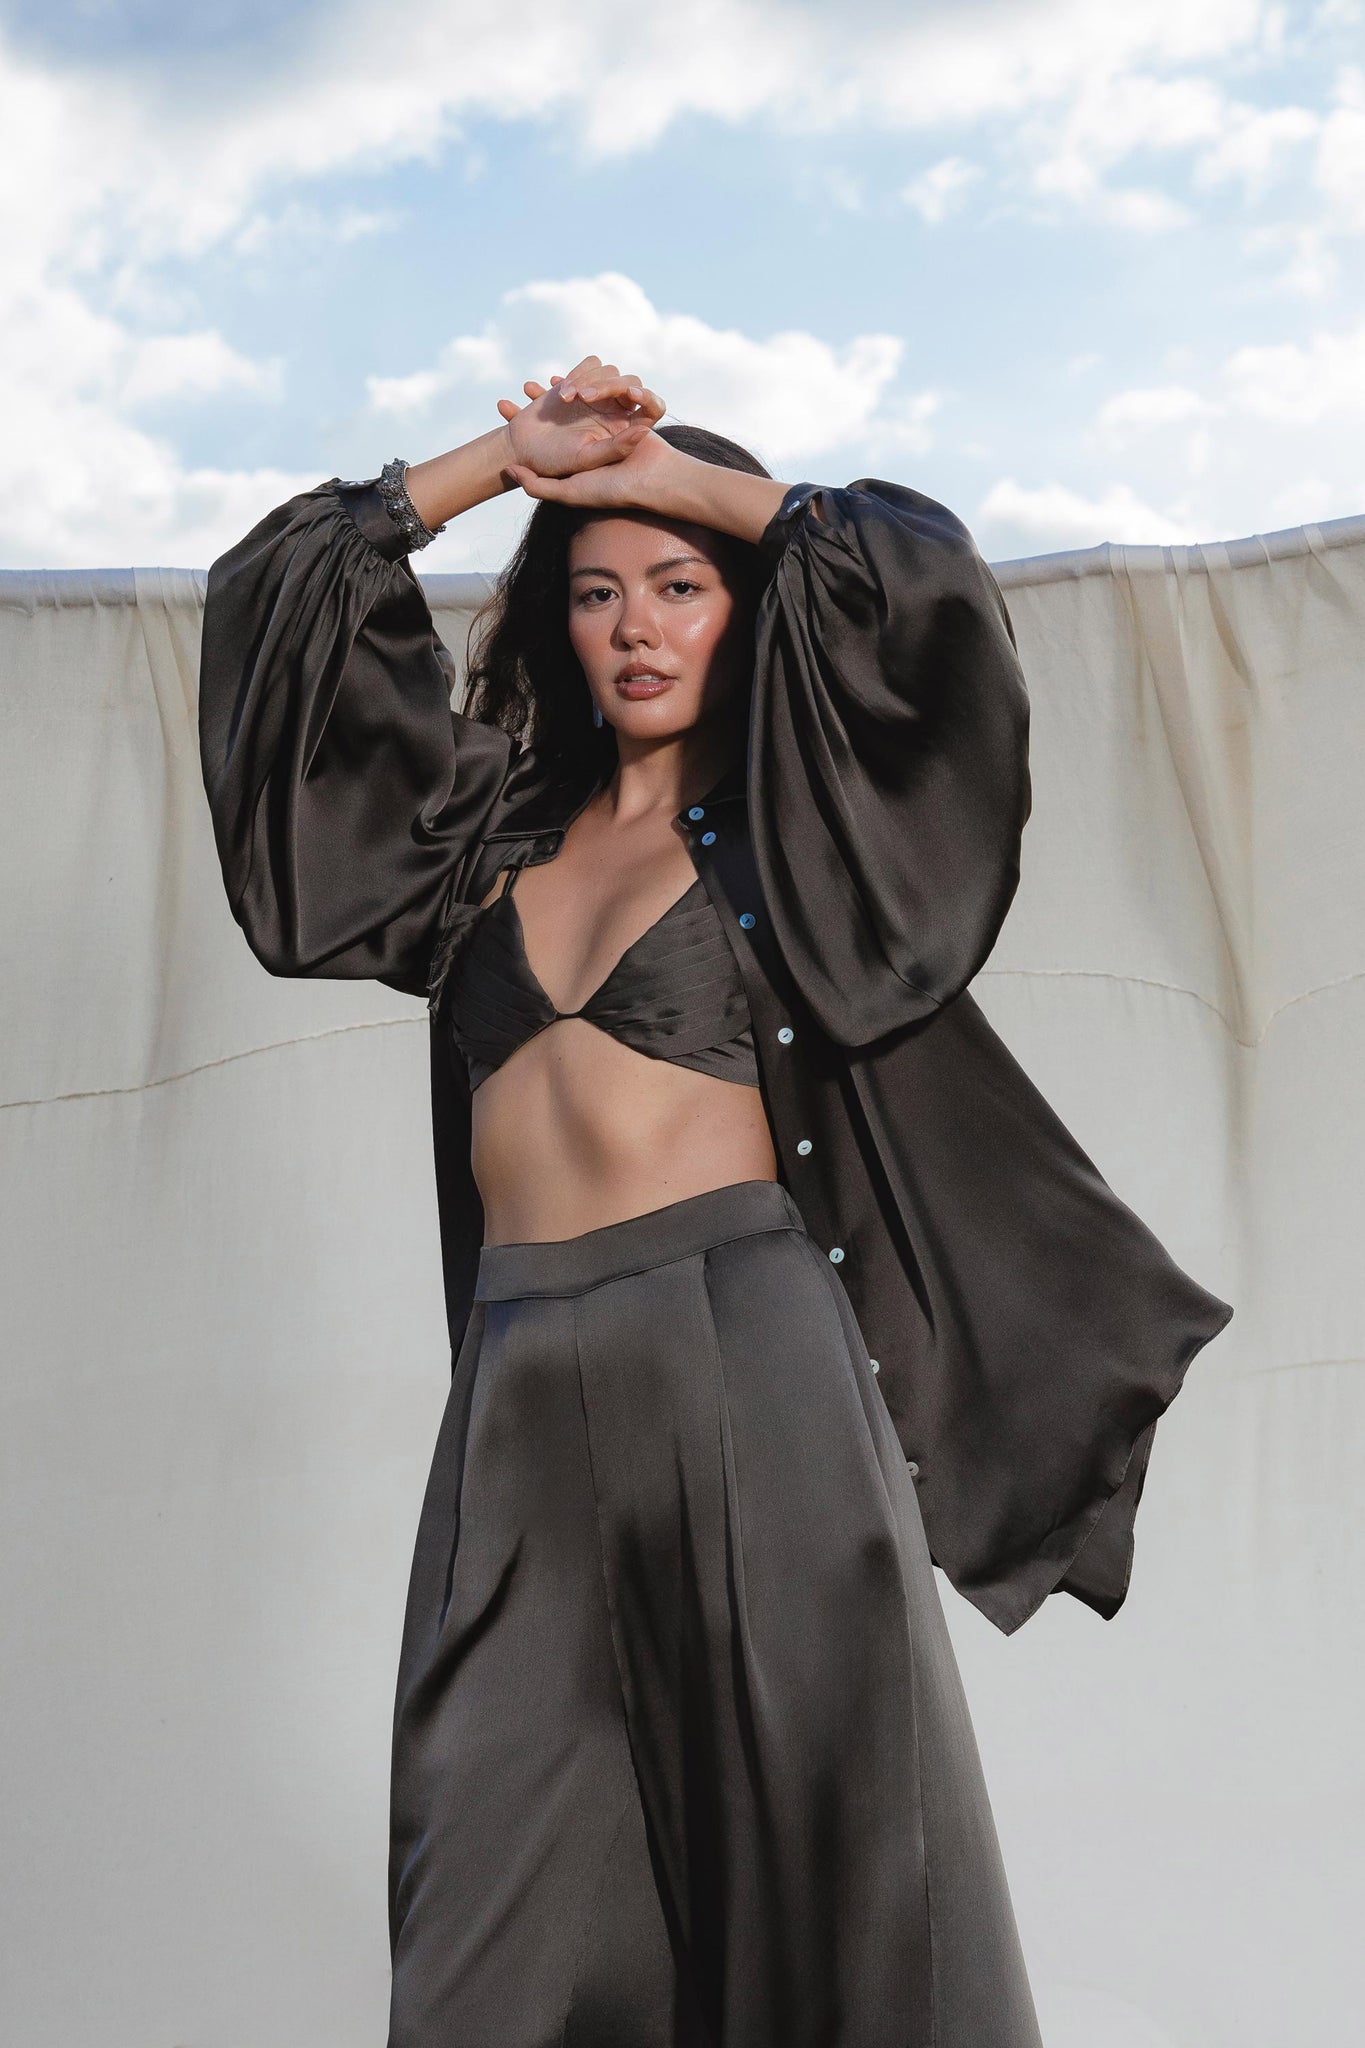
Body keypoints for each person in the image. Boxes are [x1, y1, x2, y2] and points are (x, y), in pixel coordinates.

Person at [198, 356, 1233, 2048]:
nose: (635, 625)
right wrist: (506, 463)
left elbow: (918, 586)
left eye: (678, 587)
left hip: (749, 1360)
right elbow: (284, 609)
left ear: (744, 610)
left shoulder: (798, 837)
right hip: (517, 1394)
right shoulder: (477, 845)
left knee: (835, 1878)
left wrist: (678, 480)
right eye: (596, 593)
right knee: (488, 1918)